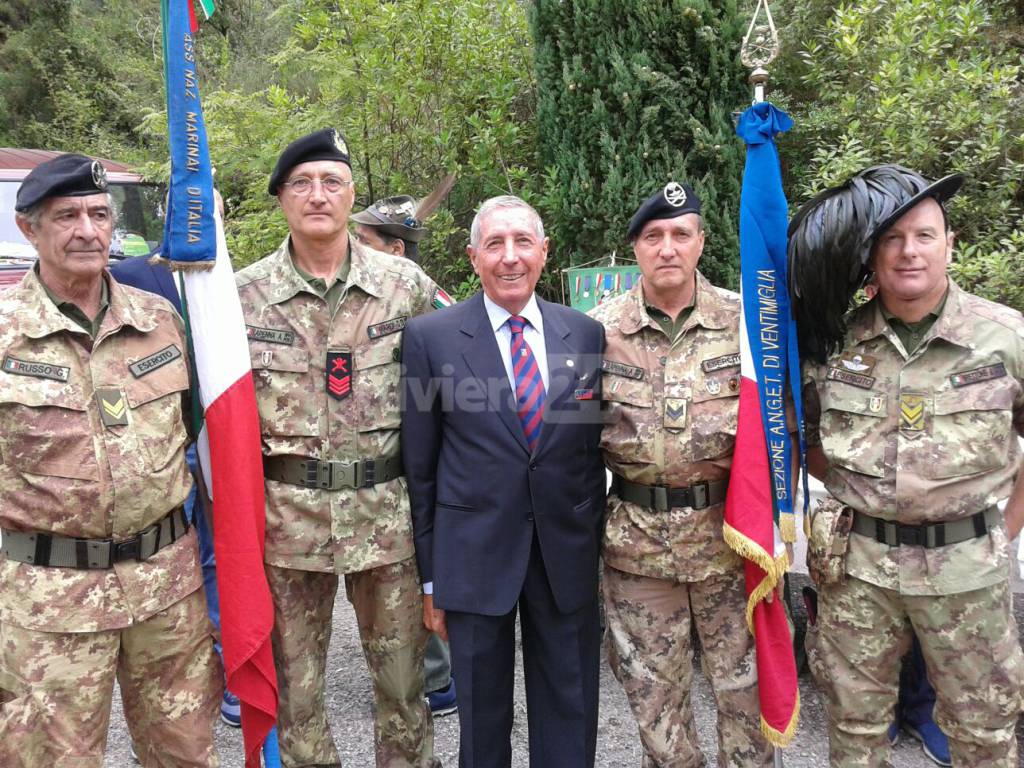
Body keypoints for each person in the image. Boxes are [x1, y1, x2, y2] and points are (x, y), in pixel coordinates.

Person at [793, 164, 1024, 766]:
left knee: (984, 734)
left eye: (924, 236)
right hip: (859, 576)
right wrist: (861, 488)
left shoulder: (1004, 338)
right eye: (892, 239)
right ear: (872, 255)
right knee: (853, 731)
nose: (908, 252)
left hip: (968, 576)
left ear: (951, 244)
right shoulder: (837, 344)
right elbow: (804, 437)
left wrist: (1004, 532)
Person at [0, 153, 221, 766]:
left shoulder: (159, 320)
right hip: (51, 601)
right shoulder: (5, 333)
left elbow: (192, 433)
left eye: (99, 214)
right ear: (30, 228)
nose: (88, 231)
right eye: (66, 216)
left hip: (165, 590)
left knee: (186, 754)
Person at [235, 128, 442, 768]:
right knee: (297, 692)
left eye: (332, 181)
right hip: (286, 522)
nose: (318, 194)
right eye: (302, 182)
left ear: (353, 195)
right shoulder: (240, 297)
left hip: (386, 515)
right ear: (280, 199)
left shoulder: (404, 283)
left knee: (406, 688)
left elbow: (454, 370)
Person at [402, 195, 606, 768]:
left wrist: (590, 541)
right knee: (482, 722)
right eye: (495, 244)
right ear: (473, 258)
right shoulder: (431, 338)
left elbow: (587, 454)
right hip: (473, 560)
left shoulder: (584, 334)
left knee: (570, 710)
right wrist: (430, 578)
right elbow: (421, 468)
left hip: (563, 557)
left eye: (522, 243)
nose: (509, 257)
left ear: (544, 253)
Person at [589, 182, 774, 767]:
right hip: (638, 547)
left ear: (700, 242)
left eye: (680, 234)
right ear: (636, 248)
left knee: (745, 697)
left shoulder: (747, 325)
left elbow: (782, 431)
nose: (667, 247)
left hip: (730, 542)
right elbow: (569, 446)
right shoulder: (595, 333)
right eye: (653, 236)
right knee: (654, 703)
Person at [110, 189, 242, 729]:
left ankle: (230, 668)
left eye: (209, 209)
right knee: (171, 557)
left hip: (216, 437)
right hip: (157, 441)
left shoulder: (229, 279)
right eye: (186, 207)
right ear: (167, 211)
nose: (197, 218)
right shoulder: (128, 275)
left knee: (219, 554)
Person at [351, 193, 458, 717]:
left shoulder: (424, 295)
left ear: (395, 249)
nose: (355, 246)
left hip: (419, 452)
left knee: (421, 565)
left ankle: (437, 678)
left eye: (365, 240)